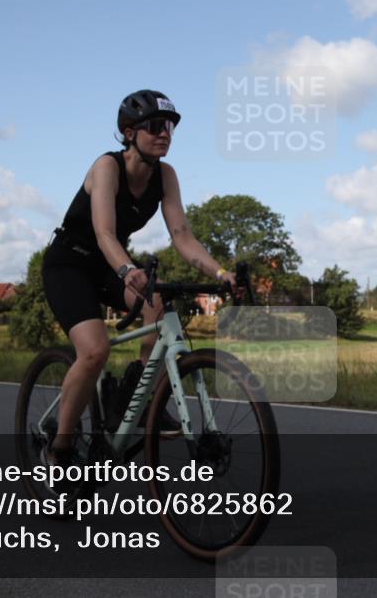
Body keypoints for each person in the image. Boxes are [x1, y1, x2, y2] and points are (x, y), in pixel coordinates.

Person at [42, 89, 235, 467]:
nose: (165, 133)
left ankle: (134, 398)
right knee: (95, 350)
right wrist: (128, 270)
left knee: (157, 307)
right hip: (70, 264)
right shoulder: (107, 167)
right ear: (129, 132)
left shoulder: (166, 176)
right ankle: (60, 448)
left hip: (107, 266)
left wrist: (221, 272)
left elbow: (181, 236)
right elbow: (104, 234)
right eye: (155, 126)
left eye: (170, 127)